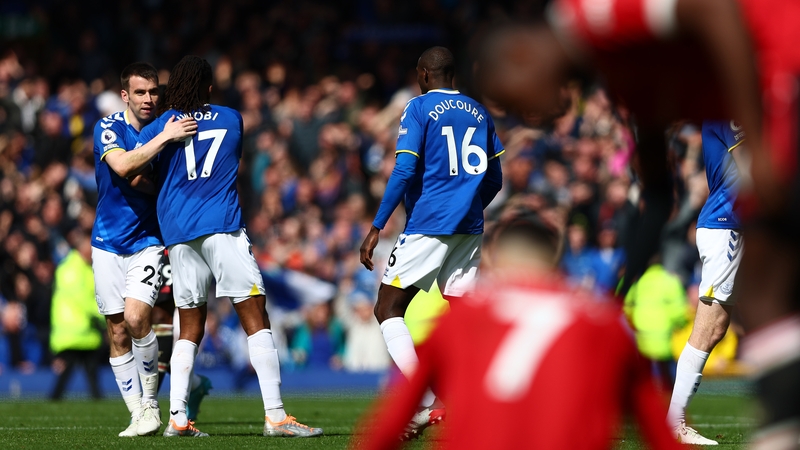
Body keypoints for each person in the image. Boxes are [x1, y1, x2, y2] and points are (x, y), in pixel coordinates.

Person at [478, 3, 800, 446]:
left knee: (765, 285)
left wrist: (760, 146)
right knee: (766, 291)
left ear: (518, 55)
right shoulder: (625, 77)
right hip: (771, 95)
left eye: (516, 104)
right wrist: (616, 294)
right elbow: (656, 197)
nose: (530, 119)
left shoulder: (590, 14)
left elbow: (715, 9)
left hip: (785, 63)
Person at [353, 215, 681, 450]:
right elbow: (656, 429)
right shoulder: (604, 324)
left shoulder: (463, 320)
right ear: (556, 263)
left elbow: (392, 420)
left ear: (497, 261)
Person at [136, 55, 322, 438]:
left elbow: (142, 169)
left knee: (188, 324)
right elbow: (230, 160)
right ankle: (275, 415)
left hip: (178, 234)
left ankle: (177, 419)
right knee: (255, 316)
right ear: (208, 87)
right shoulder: (231, 118)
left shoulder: (159, 127)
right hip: (221, 226)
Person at [359, 46, 503, 439]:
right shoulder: (479, 111)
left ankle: (426, 402)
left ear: (423, 74)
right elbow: (495, 179)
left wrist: (376, 225)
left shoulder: (418, 108)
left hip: (429, 222)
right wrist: (468, 203)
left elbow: (404, 168)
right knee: (465, 319)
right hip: (469, 227)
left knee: (387, 308)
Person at [91, 62, 197, 437]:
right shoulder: (108, 127)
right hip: (106, 242)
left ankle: (151, 403)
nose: (149, 99)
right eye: (140, 93)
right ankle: (138, 412)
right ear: (126, 96)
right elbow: (123, 166)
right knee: (116, 331)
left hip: (148, 241)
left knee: (138, 319)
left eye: (154, 92)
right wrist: (161, 143)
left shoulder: (169, 125)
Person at [665, 120, 745, 445]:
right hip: (727, 224)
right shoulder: (729, 112)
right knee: (707, 327)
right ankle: (674, 420)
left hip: (735, 224)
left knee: (715, 328)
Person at [151, 249, 212, 421]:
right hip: (138, 241)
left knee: (160, 316)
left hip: (168, 241)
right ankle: (195, 385)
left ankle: (148, 404)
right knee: (134, 324)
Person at [49, 231, 104, 400]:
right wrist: (106, 316)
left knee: (89, 374)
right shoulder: (71, 269)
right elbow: (83, 299)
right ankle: (53, 402)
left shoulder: (82, 267)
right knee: (70, 375)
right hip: (73, 333)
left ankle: (54, 402)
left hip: (84, 333)